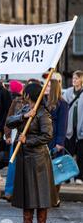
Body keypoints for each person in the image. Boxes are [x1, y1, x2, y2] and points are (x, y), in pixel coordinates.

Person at [6, 82, 58, 223]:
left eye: (26, 92)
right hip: (23, 158)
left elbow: (47, 136)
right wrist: (23, 117)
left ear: (30, 94)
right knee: (25, 195)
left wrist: (28, 140)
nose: (24, 94)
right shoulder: (25, 110)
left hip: (38, 160)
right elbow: (9, 121)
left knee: (40, 196)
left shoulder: (43, 113)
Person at [45, 73, 69, 205]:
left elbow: (63, 124)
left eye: (49, 85)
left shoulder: (62, 103)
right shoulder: (42, 100)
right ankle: (47, 197)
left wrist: (60, 142)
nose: (46, 86)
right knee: (45, 171)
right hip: (44, 139)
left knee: (56, 171)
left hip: (55, 140)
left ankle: (55, 198)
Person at [3, 80, 25, 202]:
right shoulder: (16, 101)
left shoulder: (38, 104)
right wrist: (7, 135)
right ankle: (9, 191)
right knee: (13, 165)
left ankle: (21, 192)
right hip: (16, 136)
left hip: (28, 138)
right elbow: (9, 118)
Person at [63, 70, 83, 184]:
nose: (74, 80)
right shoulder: (68, 92)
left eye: (76, 78)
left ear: (81, 80)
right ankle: (66, 177)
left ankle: (79, 177)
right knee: (68, 153)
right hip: (69, 127)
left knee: (81, 154)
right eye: (73, 78)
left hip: (80, 127)